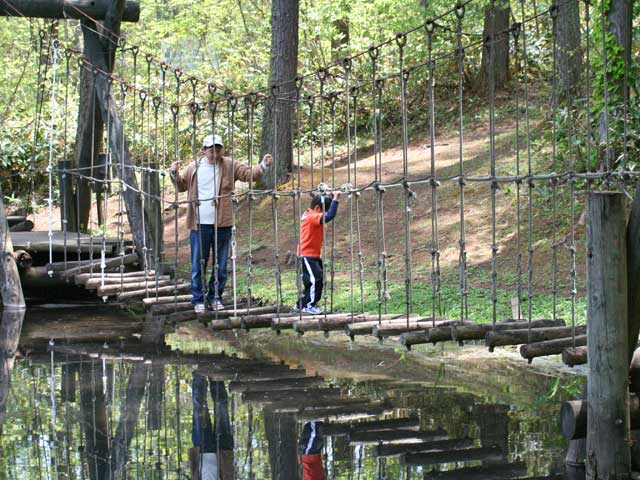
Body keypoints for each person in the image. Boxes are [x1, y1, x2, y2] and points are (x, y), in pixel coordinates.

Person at [171, 134, 272, 313]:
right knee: (198, 263)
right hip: (199, 224)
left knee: (221, 264)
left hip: (222, 223)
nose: (215, 153)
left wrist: (263, 165)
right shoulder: (193, 167)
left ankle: (215, 296)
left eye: (218, 149)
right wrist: (173, 174)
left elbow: (248, 174)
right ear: (204, 150)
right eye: (211, 150)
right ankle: (198, 299)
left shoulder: (229, 165)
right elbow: (181, 186)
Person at [296, 191, 340, 314]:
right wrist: (336, 199)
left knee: (316, 279)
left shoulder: (309, 214)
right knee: (315, 280)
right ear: (317, 208)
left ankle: (301, 304)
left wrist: (328, 196)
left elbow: (324, 216)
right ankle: (308, 305)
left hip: (312, 255)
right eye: (322, 212)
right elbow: (329, 216)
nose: (323, 216)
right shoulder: (311, 217)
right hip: (306, 255)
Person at [189, 373, 234, 480]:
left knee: (199, 408)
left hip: (202, 449)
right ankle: (216, 376)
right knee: (221, 407)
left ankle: (199, 375)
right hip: (224, 451)